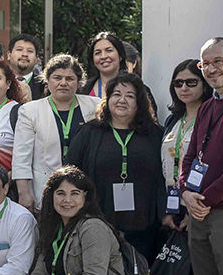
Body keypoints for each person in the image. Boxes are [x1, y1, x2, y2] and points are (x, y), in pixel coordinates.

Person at [62, 73, 165, 259]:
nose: (122, 100)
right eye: (116, 94)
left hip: (145, 225)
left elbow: (165, 177)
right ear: (107, 99)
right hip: (99, 221)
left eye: (130, 96)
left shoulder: (155, 134)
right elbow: (70, 173)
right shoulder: (89, 132)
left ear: (139, 102)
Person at [18, 166, 130, 275]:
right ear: (51, 196)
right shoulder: (54, 228)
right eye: (60, 193)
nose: (67, 200)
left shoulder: (93, 227)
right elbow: (42, 271)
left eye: (75, 193)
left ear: (85, 197)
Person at [13, 55, 100, 211]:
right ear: (47, 80)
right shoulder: (30, 111)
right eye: (57, 78)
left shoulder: (94, 106)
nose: (63, 83)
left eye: (70, 78)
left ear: (79, 82)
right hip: (45, 187)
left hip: (86, 187)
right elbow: (21, 156)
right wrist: (24, 193)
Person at [160, 59, 211, 228]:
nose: (184, 88)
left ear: (204, 85)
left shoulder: (211, 118)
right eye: (178, 83)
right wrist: (166, 209)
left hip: (198, 204)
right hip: (173, 202)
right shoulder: (173, 120)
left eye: (191, 83)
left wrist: (193, 211)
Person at [80, 32, 126, 99]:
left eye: (109, 50)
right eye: (98, 53)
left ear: (120, 56)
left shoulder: (134, 87)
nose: (103, 56)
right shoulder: (84, 90)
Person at [8, 35, 44, 100]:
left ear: (36, 59)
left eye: (30, 51)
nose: (24, 54)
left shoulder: (44, 85)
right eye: (19, 49)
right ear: (9, 55)